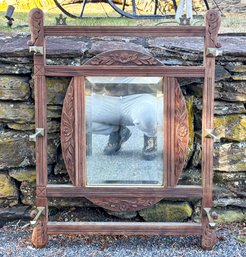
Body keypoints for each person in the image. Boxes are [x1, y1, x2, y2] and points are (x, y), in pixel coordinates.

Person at [86, 77, 163, 160]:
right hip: (107, 97)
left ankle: (150, 135)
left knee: (147, 113)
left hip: (139, 96)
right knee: (76, 110)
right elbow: (94, 85)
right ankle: (117, 131)